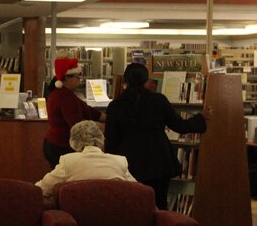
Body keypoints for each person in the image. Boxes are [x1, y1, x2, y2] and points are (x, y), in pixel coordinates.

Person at [104, 62, 207, 209]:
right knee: (159, 204)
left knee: (130, 205)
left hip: (128, 163)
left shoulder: (116, 105)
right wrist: (201, 118)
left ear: (125, 80)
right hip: (158, 160)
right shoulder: (158, 100)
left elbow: (111, 139)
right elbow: (180, 126)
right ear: (146, 80)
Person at [35, 120, 136, 198]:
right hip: (115, 217)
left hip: (77, 218)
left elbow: (43, 189)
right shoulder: (119, 161)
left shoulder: (68, 162)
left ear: (73, 141)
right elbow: (138, 190)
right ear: (101, 138)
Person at [43, 58, 103, 168]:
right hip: (62, 145)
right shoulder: (65, 97)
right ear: (66, 78)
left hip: (53, 143)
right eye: (77, 76)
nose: (79, 79)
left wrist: (103, 116)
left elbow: (86, 109)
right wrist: (98, 126)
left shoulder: (61, 93)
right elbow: (77, 124)